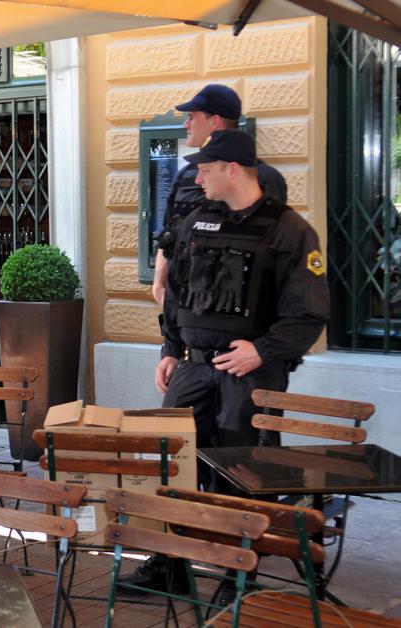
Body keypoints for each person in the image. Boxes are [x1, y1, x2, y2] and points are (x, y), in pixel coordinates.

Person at [120, 129, 329, 594]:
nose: (199, 178)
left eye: (207, 170)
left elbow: (309, 314)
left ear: (233, 170)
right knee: (172, 463)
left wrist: (262, 350)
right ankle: (169, 566)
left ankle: (239, 577)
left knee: (244, 472)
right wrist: (171, 350)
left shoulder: (290, 230)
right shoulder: (198, 221)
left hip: (249, 372)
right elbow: (177, 295)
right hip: (193, 368)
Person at [152, 84, 288, 306]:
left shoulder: (261, 178)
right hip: (183, 307)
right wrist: (158, 286)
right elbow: (168, 235)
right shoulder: (185, 175)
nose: (186, 124)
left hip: (231, 309)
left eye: (191, 117)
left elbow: (272, 250)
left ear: (214, 121)